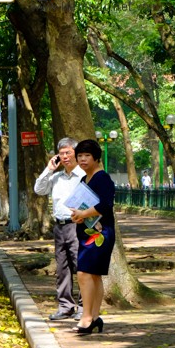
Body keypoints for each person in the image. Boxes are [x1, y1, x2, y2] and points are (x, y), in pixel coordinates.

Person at [34, 138, 86, 321]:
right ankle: (65, 306)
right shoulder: (56, 177)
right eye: (61, 153)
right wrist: (49, 169)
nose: (64, 157)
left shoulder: (83, 176)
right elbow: (38, 189)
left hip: (78, 226)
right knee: (62, 268)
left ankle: (83, 306)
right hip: (59, 226)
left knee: (80, 266)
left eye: (68, 153)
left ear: (75, 154)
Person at [69, 139, 116, 334]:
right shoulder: (83, 180)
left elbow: (105, 205)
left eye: (87, 155)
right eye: (79, 156)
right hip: (86, 231)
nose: (83, 159)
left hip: (100, 233)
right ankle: (95, 317)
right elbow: (81, 205)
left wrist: (84, 214)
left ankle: (86, 317)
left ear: (96, 157)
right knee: (94, 275)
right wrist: (77, 216)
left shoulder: (102, 178)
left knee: (84, 273)